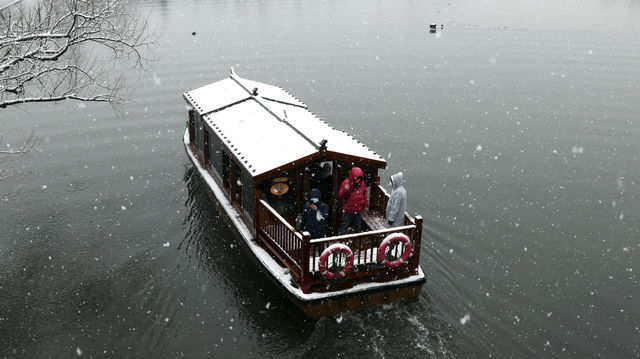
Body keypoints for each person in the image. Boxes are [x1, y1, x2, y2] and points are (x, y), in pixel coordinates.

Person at [338, 167, 368, 234]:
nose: (358, 180)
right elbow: (340, 195)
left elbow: (364, 195)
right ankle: (342, 239)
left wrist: (366, 205)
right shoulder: (345, 183)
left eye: (360, 179)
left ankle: (356, 240)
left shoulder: (362, 184)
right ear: (352, 177)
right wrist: (345, 190)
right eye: (357, 179)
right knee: (344, 227)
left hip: (358, 210)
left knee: (357, 227)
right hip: (348, 211)